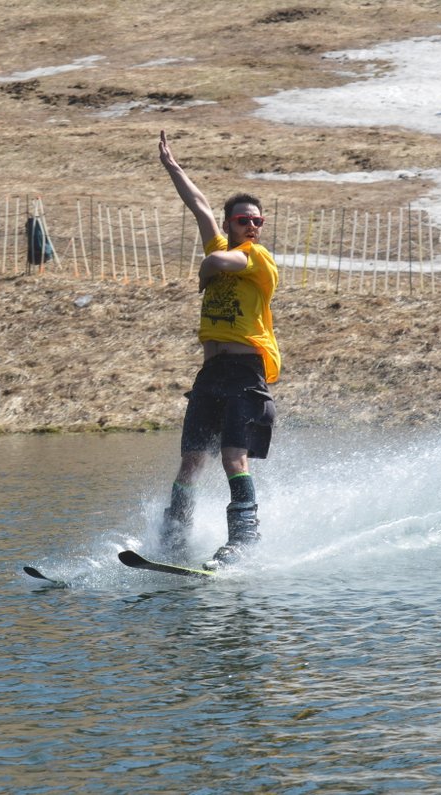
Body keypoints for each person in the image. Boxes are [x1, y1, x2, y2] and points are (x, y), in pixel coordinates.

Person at [156, 130, 281, 571]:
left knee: (233, 457)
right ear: (229, 223)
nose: (252, 226)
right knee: (191, 461)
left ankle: (244, 538)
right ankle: (173, 537)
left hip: (247, 373)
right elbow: (200, 207)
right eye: (244, 220)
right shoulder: (218, 238)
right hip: (209, 374)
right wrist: (174, 168)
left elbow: (214, 264)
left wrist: (207, 273)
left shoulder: (258, 259)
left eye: (258, 221)